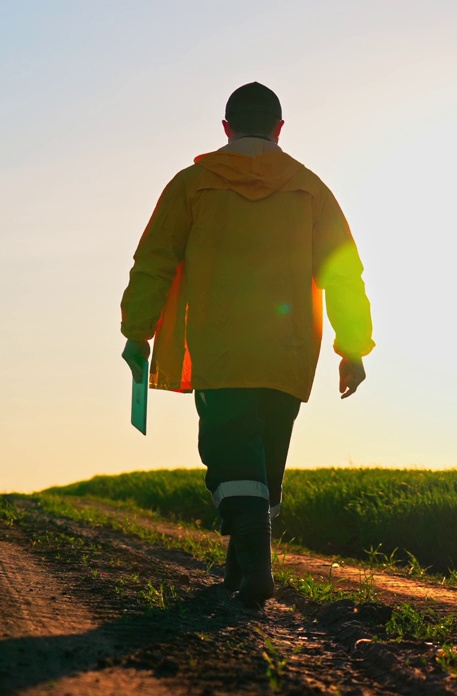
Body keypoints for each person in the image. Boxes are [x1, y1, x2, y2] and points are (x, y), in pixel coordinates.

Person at [119, 82, 374, 607]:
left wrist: (136, 331)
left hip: (221, 345)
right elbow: (345, 274)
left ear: (226, 129)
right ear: (280, 129)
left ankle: (257, 573)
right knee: (265, 462)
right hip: (289, 352)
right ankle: (242, 567)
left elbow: (154, 262)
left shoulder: (192, 184)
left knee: (230, 452)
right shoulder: (310, 188)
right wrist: (352, 347)